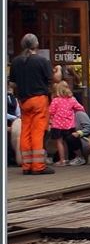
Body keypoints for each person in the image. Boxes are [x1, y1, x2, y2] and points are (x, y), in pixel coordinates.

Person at [9, 33, 62, 174]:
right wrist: (59, 69)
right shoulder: (41, 61)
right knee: (37, 132)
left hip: (23, 101)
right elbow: (56, 79)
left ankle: (26, 165)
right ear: (36, 45)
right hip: (39, 100)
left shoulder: (15, 62)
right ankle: (38, 166)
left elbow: (12, 83)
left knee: (25, 131)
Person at [48, 80, 86, 166]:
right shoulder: (71, 100)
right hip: (69, 125)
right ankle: (68, 158)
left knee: (60, 142)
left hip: (57, 125)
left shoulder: (55, 100)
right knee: (67, 141)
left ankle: (62, 160)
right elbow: (81, 108)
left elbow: (50, 111)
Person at [6, 80, 19, 167]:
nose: (8, 86)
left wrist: (17, 120)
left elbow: (18, 112)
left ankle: (17, 157)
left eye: (8, 84)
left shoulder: (14, 98)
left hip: (13, 122)